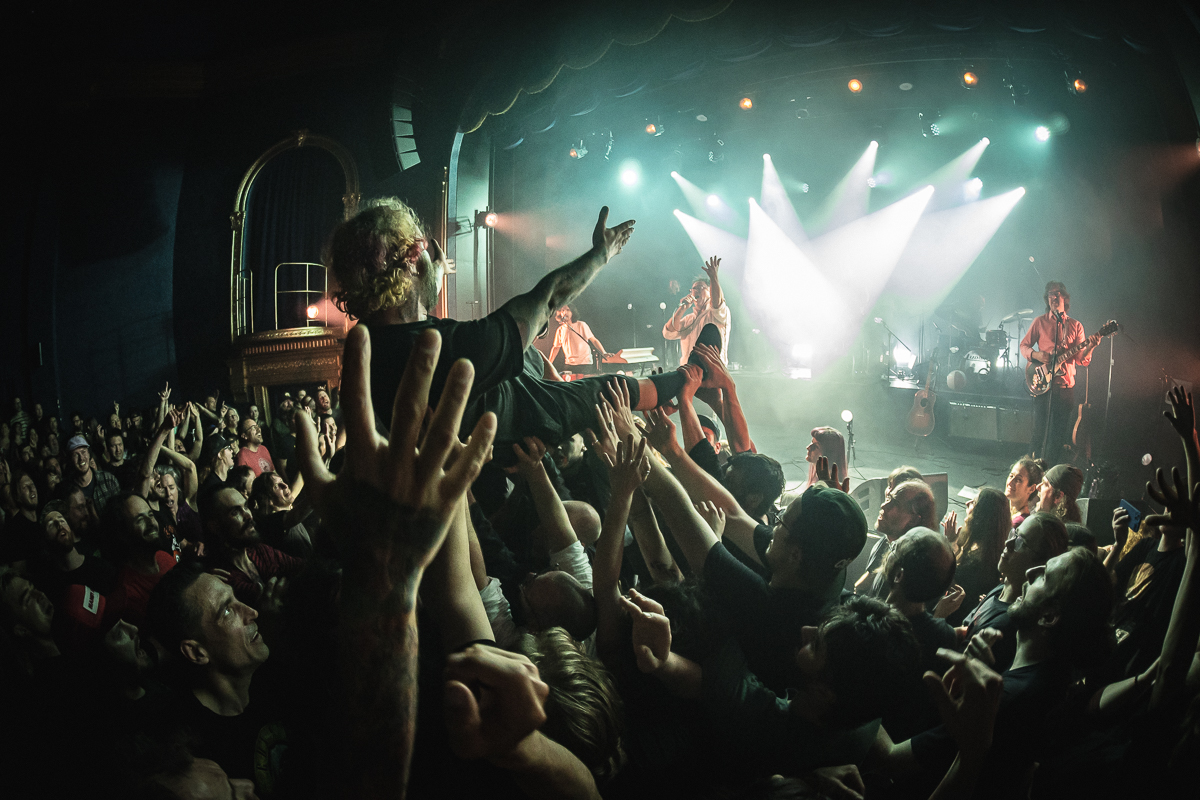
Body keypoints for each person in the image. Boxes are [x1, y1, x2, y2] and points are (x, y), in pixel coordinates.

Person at [326, 199, 702, 462]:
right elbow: (549, 300)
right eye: (423, 250)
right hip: (525, 427)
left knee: (535, 359)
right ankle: (686, 379)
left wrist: (432, 277)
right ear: (410, 258)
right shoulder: (449, 350)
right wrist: (600, 255)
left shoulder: (375, 346)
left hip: (512, 399)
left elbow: (414, 313)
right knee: (604, 389)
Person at [872, 547, 1115, 800]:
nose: (1031, 572)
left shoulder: (1009, 699)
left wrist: (865, 674)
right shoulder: (1050, 678)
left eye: (1045, 576)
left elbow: (891, 758)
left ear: (1049, 616)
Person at [962, 512, 1069, 673]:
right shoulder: (1005, 586)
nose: (1008, 543)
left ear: (1041, 563)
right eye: (1014, 533)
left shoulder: (1010, 625)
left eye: (1021, 542)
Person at [1020, 281, 1096, 460]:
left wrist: (1091, 346)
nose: (1053, 297)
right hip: (1043, 384)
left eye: (1056, 293)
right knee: (1039, 431)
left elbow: (1081, 360)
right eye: (1049, 295)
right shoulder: (1040, 322)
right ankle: (1032, 468)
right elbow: (1024, 346)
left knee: (1059, 435)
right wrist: (1037, 356)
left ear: (1065, 297)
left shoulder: (1076, 326)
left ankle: (1051, 472)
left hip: (1065, 389)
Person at [200, 486, 304, 606]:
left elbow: (302, 566)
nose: (248, 515)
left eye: (245, 507)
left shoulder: (259, 551)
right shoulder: (221, 577)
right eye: (235, 512)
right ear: (215, 527)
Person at [102, 491, 177, 627]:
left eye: (150, 515)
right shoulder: (128, 596)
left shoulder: (163, 557)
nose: (151, 523)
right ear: (123, 533)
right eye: (140, 519)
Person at [937, 487, 1010, 627]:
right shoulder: (995, 553)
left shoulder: (974, 562)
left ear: (981, 516)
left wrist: (950, 544)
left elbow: (947, 582)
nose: (967, 503)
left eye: (974, 503)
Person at [855, 479, 938, 598]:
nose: (883, 505)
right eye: (888, 499)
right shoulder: (891, 545)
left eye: (895, 504)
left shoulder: (904, 572)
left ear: (913, 520)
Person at [662, 256, 730, 367]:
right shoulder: (688, 319)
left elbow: (717, 303)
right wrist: (681, 309)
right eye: (693, 289)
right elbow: (668, 333)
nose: (695, 291)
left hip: (712, 371)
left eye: (700, 287)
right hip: (689, 372)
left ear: (709, 291)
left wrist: (713, 278)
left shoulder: (717, 314)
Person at [66, 434, 121, 512]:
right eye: (76, 454)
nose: (81, 458)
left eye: (83, 452)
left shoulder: (108, 480)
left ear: (89, 454)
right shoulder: (69, 491)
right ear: (70, 460)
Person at [548, 305, 609, 374]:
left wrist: (604, 352)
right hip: (569, 364)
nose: (565, 312)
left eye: (568, 310)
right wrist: (549, 363)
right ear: (560, 314)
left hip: (585, 364)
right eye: (562, 310)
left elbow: (594, 340)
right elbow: (556, 347)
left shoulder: (581, 325)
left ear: (572, 312)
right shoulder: (560, 330)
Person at [1, 469, 42, 563]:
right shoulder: (13, 531)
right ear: (17, 497)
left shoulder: (43, 518)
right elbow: (18, 570)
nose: (32, 489)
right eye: (25, 487)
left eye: (32, 485)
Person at [1005, 455, 1045, 526]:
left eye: (1018, 480)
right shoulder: (1004, 513)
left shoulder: (1020, 523)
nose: (1010, 482)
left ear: (1032, 488)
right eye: (1011, 476)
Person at [804, 426, 847, 490]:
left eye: (815, 446)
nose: (808, 447)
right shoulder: (817, 482)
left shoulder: (826, 488)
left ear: (828, 454)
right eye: (811, 442)